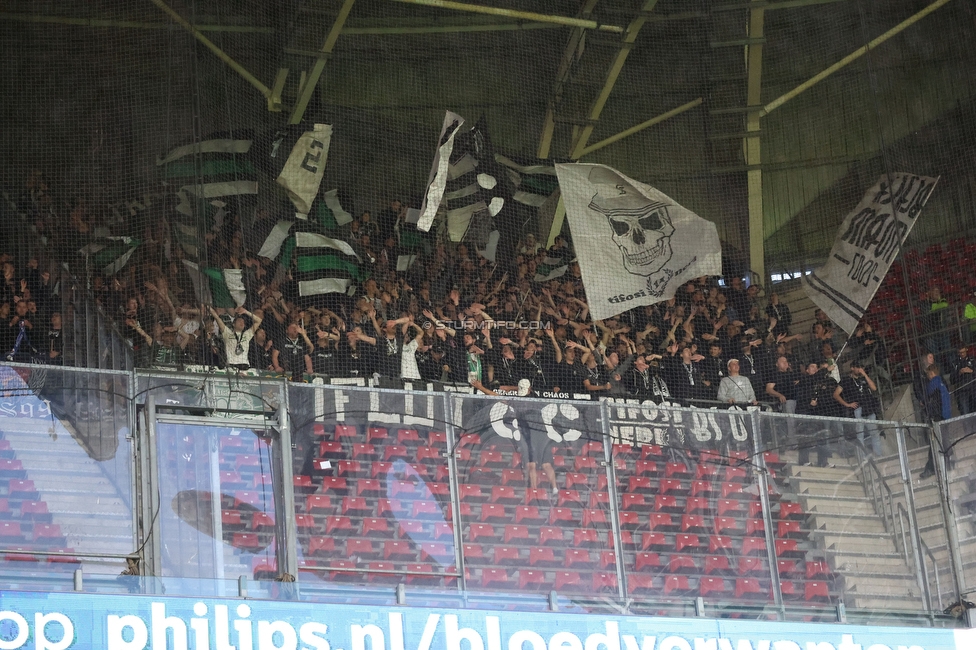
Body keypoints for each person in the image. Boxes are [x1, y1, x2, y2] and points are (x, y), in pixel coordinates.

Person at [834, 361, 882, 457]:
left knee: (874, 433)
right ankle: (862, 457)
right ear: (852, 368)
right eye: (858, 367)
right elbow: (836, 394)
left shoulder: (863, 379)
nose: (860, 369)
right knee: (860, 434)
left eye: (861, 367)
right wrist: (847, 404)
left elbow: (874, 388)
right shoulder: (846, 380)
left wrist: (864, 374)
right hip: (857, 410)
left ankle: (878, 454)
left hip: (869, 408)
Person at [920, 363, 951, 480]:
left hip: (938, 418)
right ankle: (948, 463)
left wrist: (924, 403)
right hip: (946, 417)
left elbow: (927, 399)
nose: (928, 377)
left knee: (935, 442)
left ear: (932, 374)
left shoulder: (933, 383)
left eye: (928, 374)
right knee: (944, 440)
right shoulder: (942, 383)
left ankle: (930, 468)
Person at [210, 306, 262, 371]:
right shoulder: (227, 333)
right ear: (233, 324)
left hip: (244, 366)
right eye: (239, 321)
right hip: (231, 365)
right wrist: (208, 308)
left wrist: (246, 312)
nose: (242, 323)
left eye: (243, 322)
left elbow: (259, 321)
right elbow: (217, 318)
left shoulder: (247, 334)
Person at [949, 345, 976, 416]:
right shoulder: (954, 363)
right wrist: (959, 373)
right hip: (962, 392)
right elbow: (952, 380)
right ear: (958, 353)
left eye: (963, 352)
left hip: (974, 389)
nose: (962, 354)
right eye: (960, 353)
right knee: (965, 413)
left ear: (966, 350)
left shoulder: (973, 359)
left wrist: (972, 371)